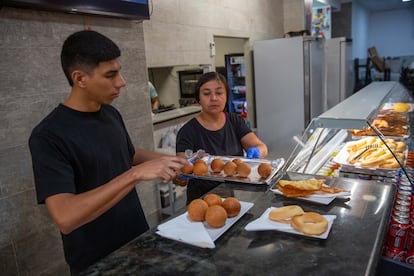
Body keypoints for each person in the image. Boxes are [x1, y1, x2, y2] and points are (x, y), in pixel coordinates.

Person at [28, 30, 188, 275]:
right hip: (97, 261)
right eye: (111, 75)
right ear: (80, 78)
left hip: (138, 242)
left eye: (119, 72)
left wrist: (172, 161)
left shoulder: (111, 113)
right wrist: (135, 175)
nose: (121, 81)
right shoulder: (48, 136)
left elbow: (129, 155)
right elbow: (66, 216)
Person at [175, 71, 268, 203]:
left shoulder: (234, 121)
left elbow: (261, 147)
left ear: (226, 96)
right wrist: (184, 172)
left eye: (219, 93)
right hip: (202, 202)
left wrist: (257, 151)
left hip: (235, 197)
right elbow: (180, 177)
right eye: (207, 94)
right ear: (198, 99)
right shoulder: (187, 131)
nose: (213, 98)